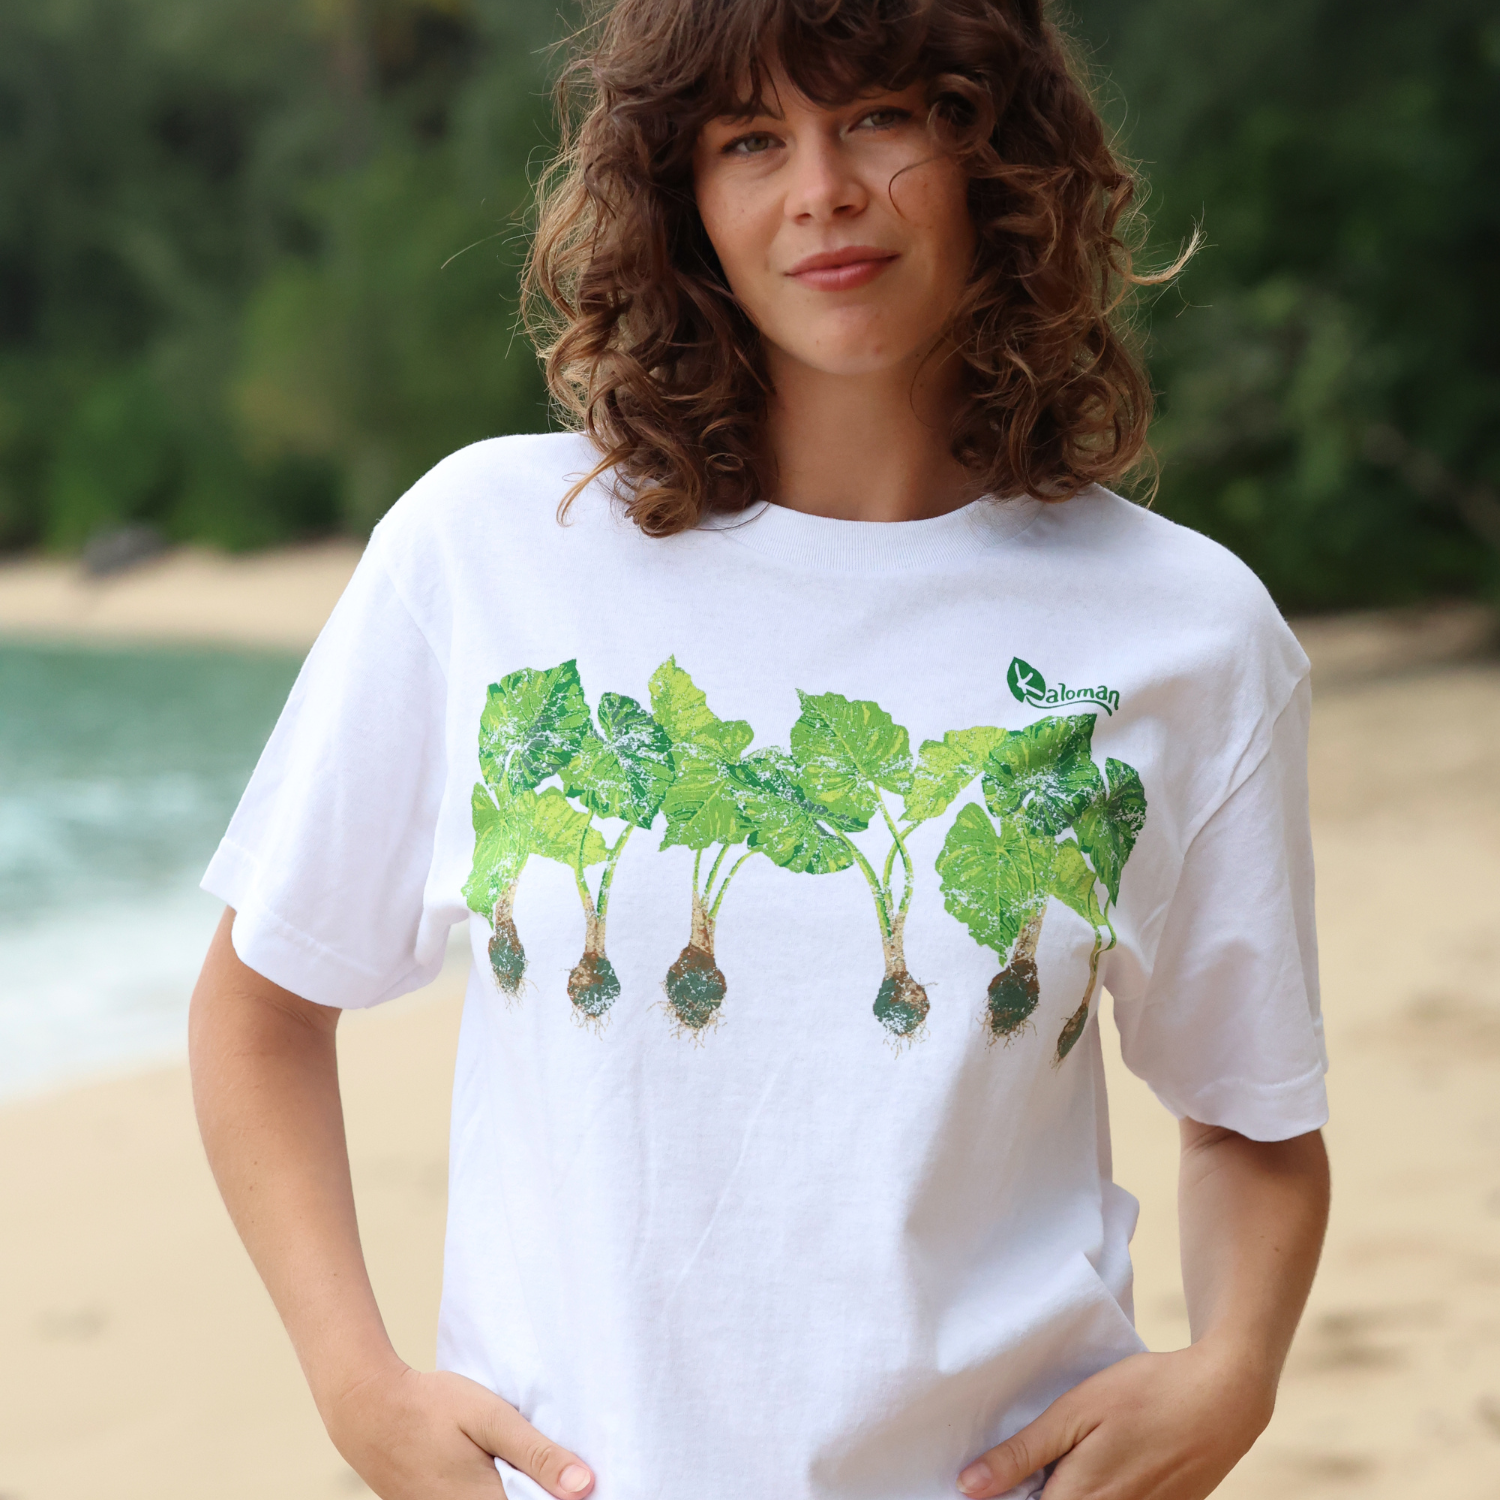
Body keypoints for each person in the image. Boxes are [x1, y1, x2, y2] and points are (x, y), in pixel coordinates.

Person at [188, 2, 1331, 1498]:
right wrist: (360, 1391)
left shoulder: (1187, 632)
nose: (822, 192)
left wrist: (1234, 1370)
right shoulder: (489, 553)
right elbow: (261, 1005)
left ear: (999, 152)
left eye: (879, 117)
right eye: (750, 141)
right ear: (685, 206)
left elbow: (1254, 1112)